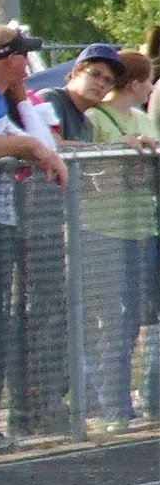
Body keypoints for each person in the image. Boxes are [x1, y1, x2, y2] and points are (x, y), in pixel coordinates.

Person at [0, 24, 68, 447]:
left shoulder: (3, 92)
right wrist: (29, 149)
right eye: (23, 56)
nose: (27, 64)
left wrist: (22, 106)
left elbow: (45, 145)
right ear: (10, 58)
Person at [82, 50, 158, 429]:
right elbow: (90, 172)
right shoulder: (96, 117)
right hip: (103, 230)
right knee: (113, 320)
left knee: (140, 319)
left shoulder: (143, 117)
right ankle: (112, 406)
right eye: (147, 80)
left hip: (141, 228)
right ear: (136, 83)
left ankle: (139, 401)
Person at [38, 43, 123, 144]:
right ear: (76, 72)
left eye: (108, 80)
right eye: (95, 74)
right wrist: (111, 147)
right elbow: (49, 145)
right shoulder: (51, 99)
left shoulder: (87, 125)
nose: (101, 84)